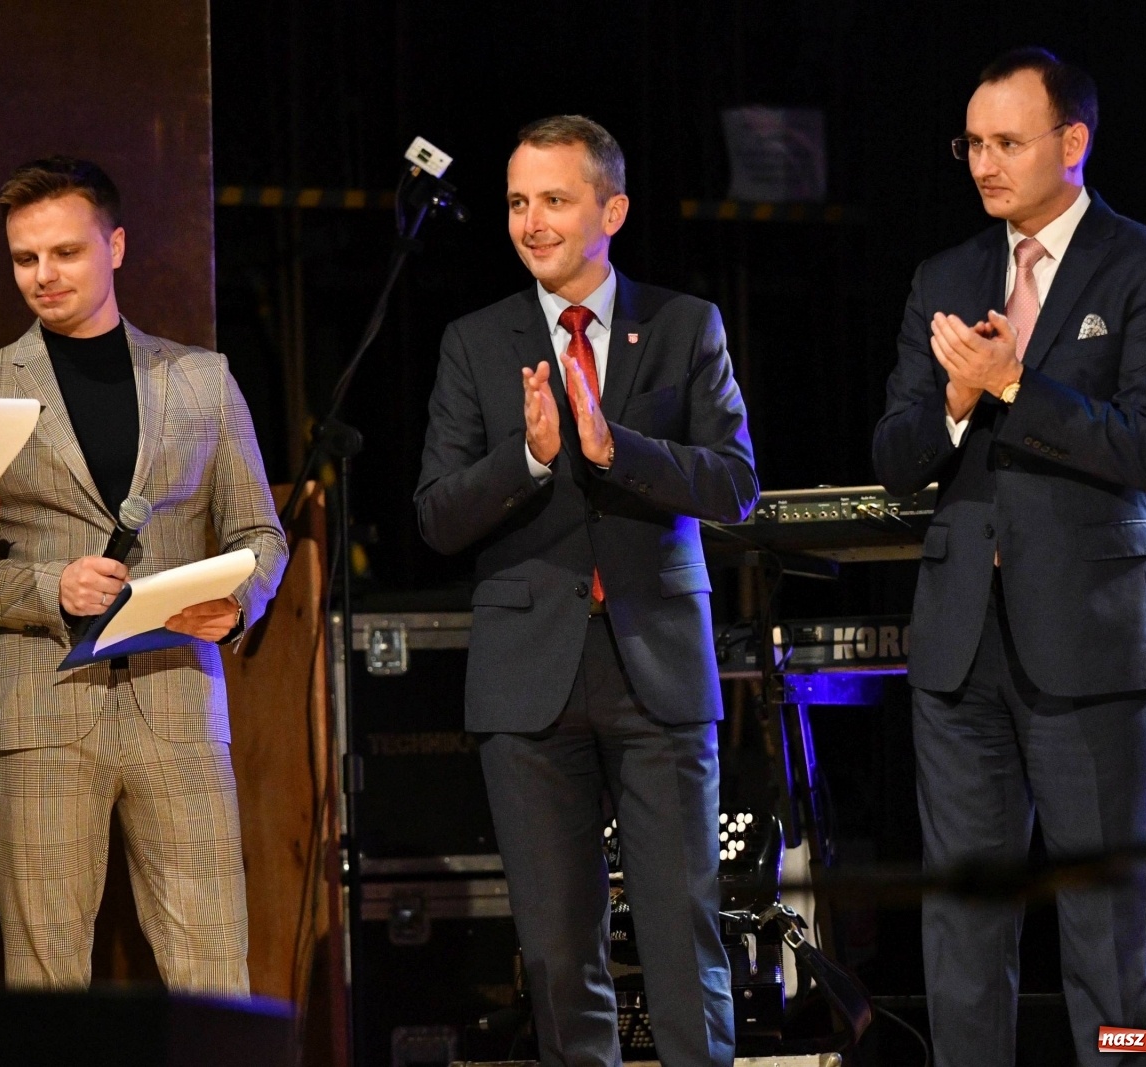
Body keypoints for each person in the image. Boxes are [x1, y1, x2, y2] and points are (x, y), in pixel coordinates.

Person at [872, 48, 1146, 1066]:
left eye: (1006, 141)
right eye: (971, 142)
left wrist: (1016, 387)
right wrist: (956, 402)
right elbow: (893, 461)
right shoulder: (945, 274)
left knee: (1103, 931)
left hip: (1090, 647)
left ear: (1072, 143)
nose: (984, 161)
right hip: (959, 646)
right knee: (963, 933)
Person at [415, 115, 757, 1067]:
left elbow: (735, 484)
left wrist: (619, 451)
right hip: (531, 676)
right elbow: (437, 515)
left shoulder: (686, 325)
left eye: (555, 201)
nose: (531, 222)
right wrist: (527, 457)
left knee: (682, 935)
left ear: (612, 209)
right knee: (560, 952)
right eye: (518, 202)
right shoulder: (474, 342)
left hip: (657, 664)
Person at [0, 157, 287, 993]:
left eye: (65, 252)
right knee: (46, 974)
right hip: (42, 710)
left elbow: (259, 532)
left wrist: (234, 601)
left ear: (117, 246)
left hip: (175, 698)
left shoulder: (200, 379)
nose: (43, 275)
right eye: (26, 258)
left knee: (211, 962)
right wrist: (50, 584)